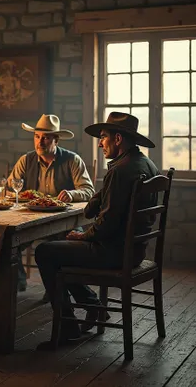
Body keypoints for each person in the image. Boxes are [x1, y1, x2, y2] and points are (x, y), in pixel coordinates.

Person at [35, 112, 159, 346]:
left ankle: (68, 328)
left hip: (114, 252)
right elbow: (101, 204)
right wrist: (93, 204)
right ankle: (94, 308)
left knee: (45, 252)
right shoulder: (143, 164)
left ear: (118, 139)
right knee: (58, 251)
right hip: (133, 250)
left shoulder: (120, 171)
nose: (100, 143)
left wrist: (83, 236)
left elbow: (107, 224)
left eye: (103, 137)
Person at [0, 114, 94, 299]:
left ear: (56, 139)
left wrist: (71, 194)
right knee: (4, 239)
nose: (40, 142)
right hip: (30, 219)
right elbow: (12, 190)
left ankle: (55, 288)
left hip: (62, 221)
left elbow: (89, 190)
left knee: (61, 245)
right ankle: (15, 282)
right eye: (37, 136)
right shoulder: (26, 160)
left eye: (45, 137)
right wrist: (18, 195)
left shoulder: (71, 160)